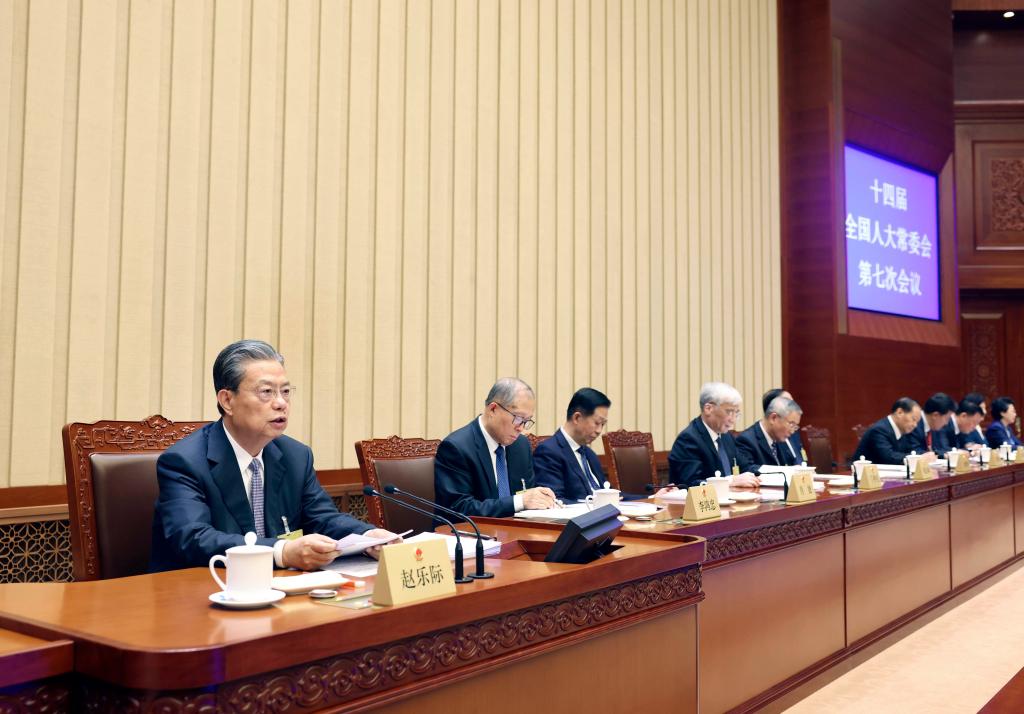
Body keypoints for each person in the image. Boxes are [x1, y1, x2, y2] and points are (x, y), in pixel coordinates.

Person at [151, 340, 398, 572]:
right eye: (266, 392)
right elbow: (193, 538)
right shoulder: (185, 461)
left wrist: (368, 536)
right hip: (204, 586)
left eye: (286, 391)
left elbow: (322, 517)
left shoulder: (295, 456)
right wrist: (281, 552)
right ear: (227, 400)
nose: (281, 403)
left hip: (278, 587)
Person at [434, 378, 556, 518]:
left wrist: (540, 499)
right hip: (470, 531)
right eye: (518, 418)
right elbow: (459, 508)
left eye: (526, 421)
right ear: (493, 409)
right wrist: (519, 502)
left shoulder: (521, 445)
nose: (521, 428)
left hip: (517, 527)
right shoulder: (457, 447)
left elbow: (526, 494)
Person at [667, 382, 760, 489]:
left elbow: (745, 467)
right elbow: (690, 484)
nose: (733, 419)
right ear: (708, 409)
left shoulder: (726, 437)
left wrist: (770, 473)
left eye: (736, 413)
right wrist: (730, 481)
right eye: (729, 412)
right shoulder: (688, 439)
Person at [534, 388, 612, 501]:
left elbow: (608, 492)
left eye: (603, 424)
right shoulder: (548, 452)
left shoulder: (589, 454)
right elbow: (555, 501)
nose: (599, 430)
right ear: (577, 418)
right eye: (597, 423)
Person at [853, 397, 936, 465]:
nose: (915, 425)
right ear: (900, 412)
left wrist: (926, 456)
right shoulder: (879, 430)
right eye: (913, 419)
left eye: (917, 422)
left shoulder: (904, 431)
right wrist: (919, 458)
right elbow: (889, 457)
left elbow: (911, 451)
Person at [736, 397, 803, 473]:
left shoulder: (780, 438)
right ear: (773, 418)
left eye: (795, 426)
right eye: (791, 424)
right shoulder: (746, 440)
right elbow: (748, 470)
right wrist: (786, 470)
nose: (792, 431)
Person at [762, 388, 804, 464]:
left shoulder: (794, 432)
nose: (792, 406)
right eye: (787, 403)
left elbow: (801, 459)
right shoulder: (774, 437)